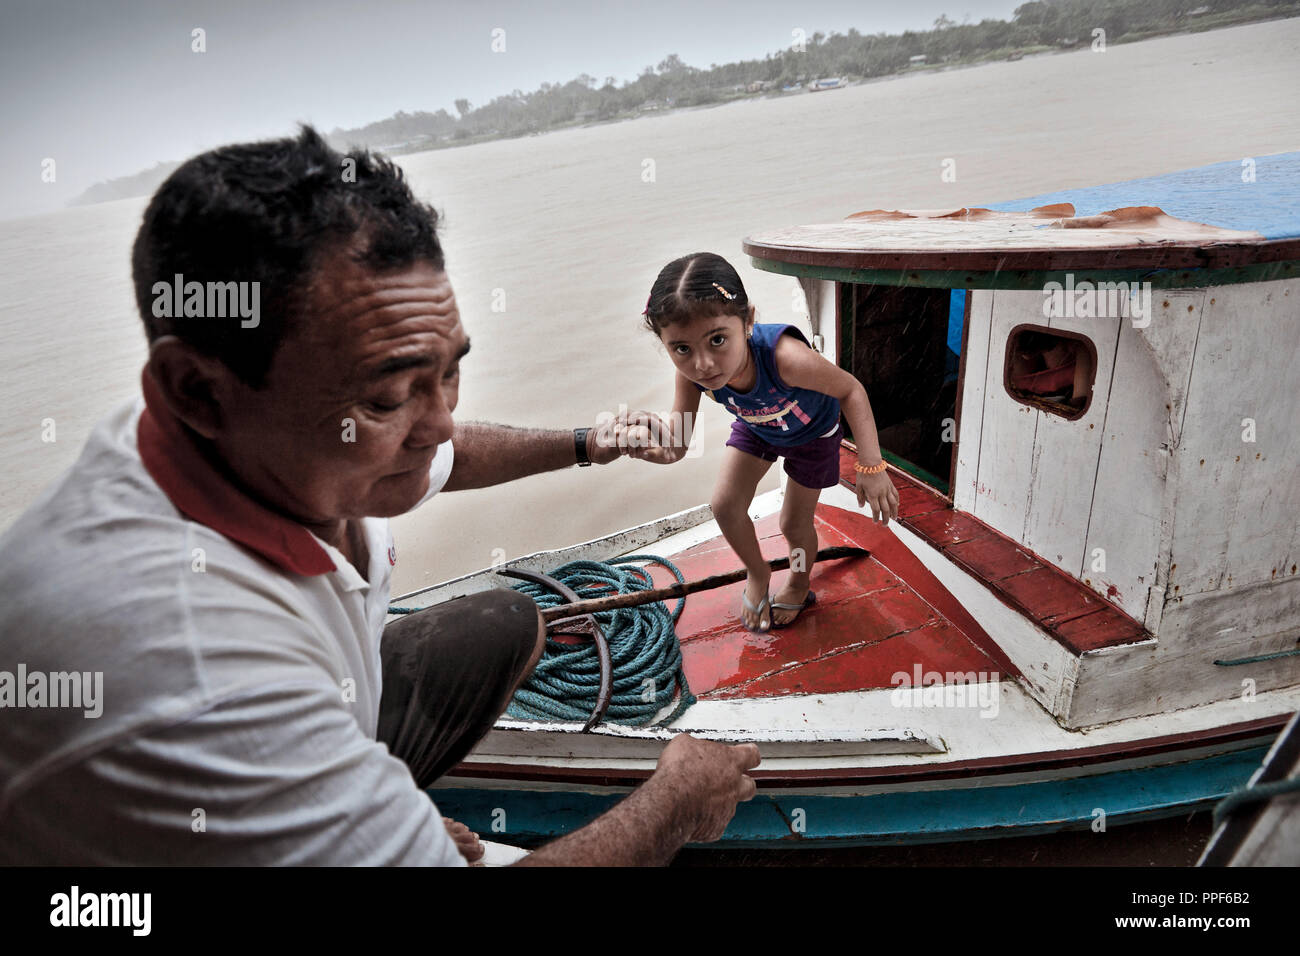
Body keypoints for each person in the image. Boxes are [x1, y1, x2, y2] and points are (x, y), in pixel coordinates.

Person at [0, 127, 758, 866]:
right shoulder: (195, 677)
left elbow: (447, 455)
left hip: (330, 695)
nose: (437, 426)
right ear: (196, 390)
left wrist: (589, 444)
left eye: (447, 372)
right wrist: (675, 804)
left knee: (507, 623)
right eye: (391, 395)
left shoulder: (270, 436)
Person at [628, 252, 899, 632]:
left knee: (793, 523)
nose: (703, 364)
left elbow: (851, 390)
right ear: (665, 343)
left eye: (718, 339)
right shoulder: (689, 377)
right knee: (724, 504)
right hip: (759, 428)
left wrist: (871, 465)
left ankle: (800, 582)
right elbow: (675, 447)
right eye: (682, 349)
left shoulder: (786, 358)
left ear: (748, 321)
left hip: (812, 435)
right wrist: (641, 447)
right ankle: (757, 572)